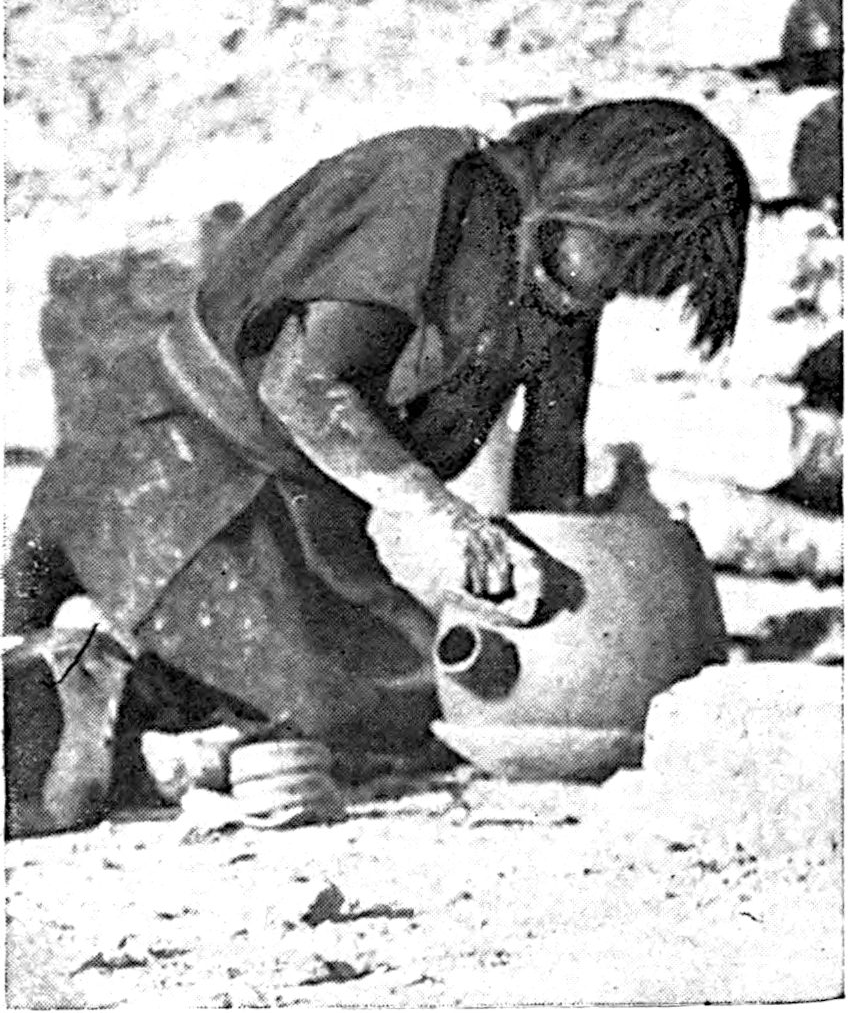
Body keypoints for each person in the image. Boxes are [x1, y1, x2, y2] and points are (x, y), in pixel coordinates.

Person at [4, 99, 751, 835]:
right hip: (176, 472)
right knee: (330, 707)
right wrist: (443, 517)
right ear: (594, 200)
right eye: (623, 260)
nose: (611, 291)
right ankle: (81, 676)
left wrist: (552, 600)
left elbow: (549, 464)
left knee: (417, 699)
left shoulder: (558, 284)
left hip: (301, 514)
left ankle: (151, 686)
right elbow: (301, 386)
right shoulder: (427, 189)